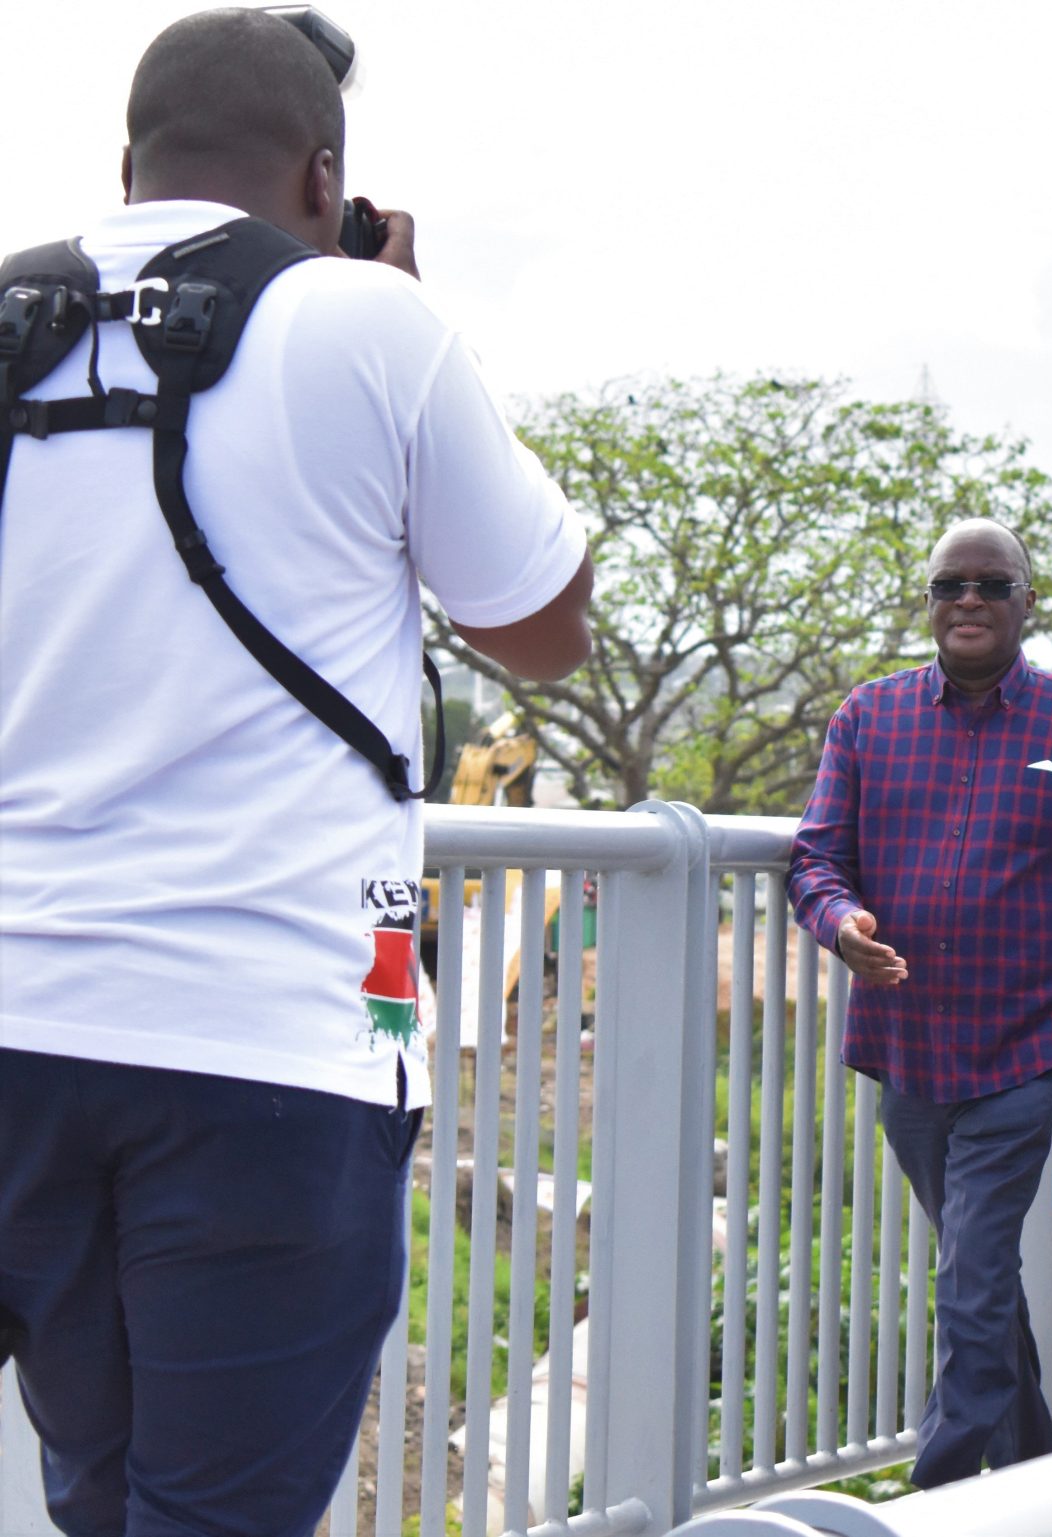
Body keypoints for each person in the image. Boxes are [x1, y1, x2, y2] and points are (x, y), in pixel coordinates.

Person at [0, 13, 594, 1533]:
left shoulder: (7, 315)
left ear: (125, 166)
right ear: (326, 180)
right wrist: (405, 310)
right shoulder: (366, 323)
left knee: (95, 1492)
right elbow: (543, 628)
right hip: (266, 1045)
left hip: (18, 1027)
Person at [787, 519, 1052, 1484]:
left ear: (1030, 601)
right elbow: (816, 856)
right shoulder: (867, 717)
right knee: (978, 1273)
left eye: (993, 584)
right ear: (930, 603)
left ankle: (935, 1494)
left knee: (972, 1268)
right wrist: (842, 924)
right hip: (906, 1048)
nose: (971, 600)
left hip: (1025, 1047)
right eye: (951, 585)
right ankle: (1040, 1480)